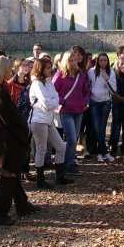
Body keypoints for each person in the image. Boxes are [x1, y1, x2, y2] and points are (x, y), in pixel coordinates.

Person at [0, 56, 38, 225]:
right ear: (0, 70)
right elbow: (12, 117)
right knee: (6, 175)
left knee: (12, 174)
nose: (9, 71)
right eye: (7, 68)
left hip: (2, 138)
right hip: (4, 141)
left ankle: (22, 205)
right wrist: (25, 129)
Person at [29, 58, 73, 188]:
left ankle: (60, 176)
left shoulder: (48, 82)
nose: (50, 70)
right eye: (47, 68)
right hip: (38, 120)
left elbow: (56, 98)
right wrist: (54, 102)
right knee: (41, 150)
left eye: (50, 67)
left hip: (48, 120)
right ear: (40, 69)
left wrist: (54, 101)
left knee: (61, 147)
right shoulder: (37, 84)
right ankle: (40, 180)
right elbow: (48, 103)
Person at [52, 50, 89, 175]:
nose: (74, 62)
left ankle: (70, 161)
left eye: (75, 60)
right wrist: (63, 102)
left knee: (74, 138)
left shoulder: (81, 74)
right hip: (66, 111)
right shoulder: (59, 75)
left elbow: (86, 90)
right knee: (72, 138)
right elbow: (53, 91)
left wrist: (84, 102)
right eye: (71, 60)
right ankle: (66, 163)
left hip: (79, 110)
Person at [7, 58, 35, 181]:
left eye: (27, 65)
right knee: (17, 146)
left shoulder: (30, 84)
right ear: (17, 67)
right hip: (16, 118)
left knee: (27, 145)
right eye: (23, 65)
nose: (26, 67)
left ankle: (26, 170)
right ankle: (16, 171)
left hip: (29, 117)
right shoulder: (10, 84)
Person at [87, 53, 117, 163]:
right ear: (97, 61)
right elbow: (87, 86)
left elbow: (113, 90)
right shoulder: (91, 72)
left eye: (105, 60)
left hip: (105, 103)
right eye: (101, 60)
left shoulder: (111, 72)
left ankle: (101, 153)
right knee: (96, 127)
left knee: (102, 127)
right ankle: (104, 152)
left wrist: (107, 79)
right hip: (94, 102)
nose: (103, 62)